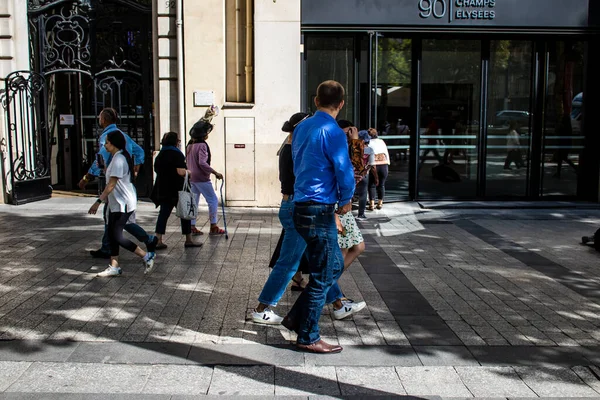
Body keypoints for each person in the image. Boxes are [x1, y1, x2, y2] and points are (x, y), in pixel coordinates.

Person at [252, 113, 365, 325]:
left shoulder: (290, 147)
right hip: (299, 208)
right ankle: (262, 308)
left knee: (318, 260)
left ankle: (339, 304)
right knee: (289, 263)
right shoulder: (297, 150)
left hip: (294, 206)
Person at [281, 80, 355, 354]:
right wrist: (346, 201)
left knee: (333, 266)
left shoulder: (302, 127)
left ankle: (295, 318)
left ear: (315, 100)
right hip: (319, 208)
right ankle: (308, 336)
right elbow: (344, 171)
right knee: (325, 274)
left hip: (302, 205)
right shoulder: (332, 131)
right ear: (341, 103)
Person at [79, 108, 157, 259]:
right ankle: (110, 252)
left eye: (100, 117)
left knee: (118, 222)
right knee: (114, 219)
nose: (105, 145)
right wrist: (135, 169)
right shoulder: (124, 136)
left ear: (104, 120)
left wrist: (87, 178)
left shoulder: (109, 139)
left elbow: (99, 161)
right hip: (124, 187)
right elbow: (140, 152)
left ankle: (145, 246)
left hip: (119, 190)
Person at [88, 131, 156, 277]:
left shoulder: (119, 159)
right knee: (113, 235)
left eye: (107, 142)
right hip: (116, 203)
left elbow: (111, 184)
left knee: (117, 236)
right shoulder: (116, 157)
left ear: (113, 143)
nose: (104, 145)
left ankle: (146, 256)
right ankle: (114, 266)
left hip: (123, 203)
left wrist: (98, 201)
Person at [150, 132, 202, 249]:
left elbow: (157, 169)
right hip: (177, 189)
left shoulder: (161, 154)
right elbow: (180, 171)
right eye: (178, 141)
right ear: (175, 142)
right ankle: (188, 239)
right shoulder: (176, 154)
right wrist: (188, 172)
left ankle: (158, 239)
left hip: (163, 188)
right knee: (185, 214)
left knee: (163, 214)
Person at [186, 120, 225, 235]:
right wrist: (215, 172)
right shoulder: (202, 145)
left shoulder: (189, 145)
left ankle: (192, 226)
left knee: (194, 202)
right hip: (202, 178)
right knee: (212, 200)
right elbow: (202, 163)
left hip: (192, 177)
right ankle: (213, 226)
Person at [337, 121, 370, 220]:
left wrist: (355, 142)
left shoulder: (351, 147)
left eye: (350, 134)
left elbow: (359, 167)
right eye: (346, 134)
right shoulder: (336, 147)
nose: (348, 137)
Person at [367, 127, 390, 211]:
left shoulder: (368, 143)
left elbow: (367, 156)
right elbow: (386, 153)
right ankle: (380, 203)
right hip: (384, 164)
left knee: (371, 184)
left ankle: (372, 204)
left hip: (374, 165)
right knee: (382, 184)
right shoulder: (381, 141)